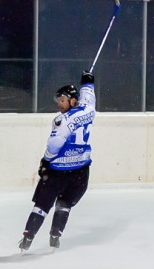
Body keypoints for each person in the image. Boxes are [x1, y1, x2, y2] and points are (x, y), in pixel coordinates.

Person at [18, 71, 96, 252]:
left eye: (63, 100)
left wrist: (45, 161)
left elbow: (54, 145)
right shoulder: (88, 110)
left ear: (73, 101)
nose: (60, 104)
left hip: (58, 173)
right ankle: (55, 236)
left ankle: (27, 239)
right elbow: (89, 98)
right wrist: (88, 82)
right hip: (81, 173)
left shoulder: (62, 120)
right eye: (58, 101)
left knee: (42, 205)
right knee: (64, 204)